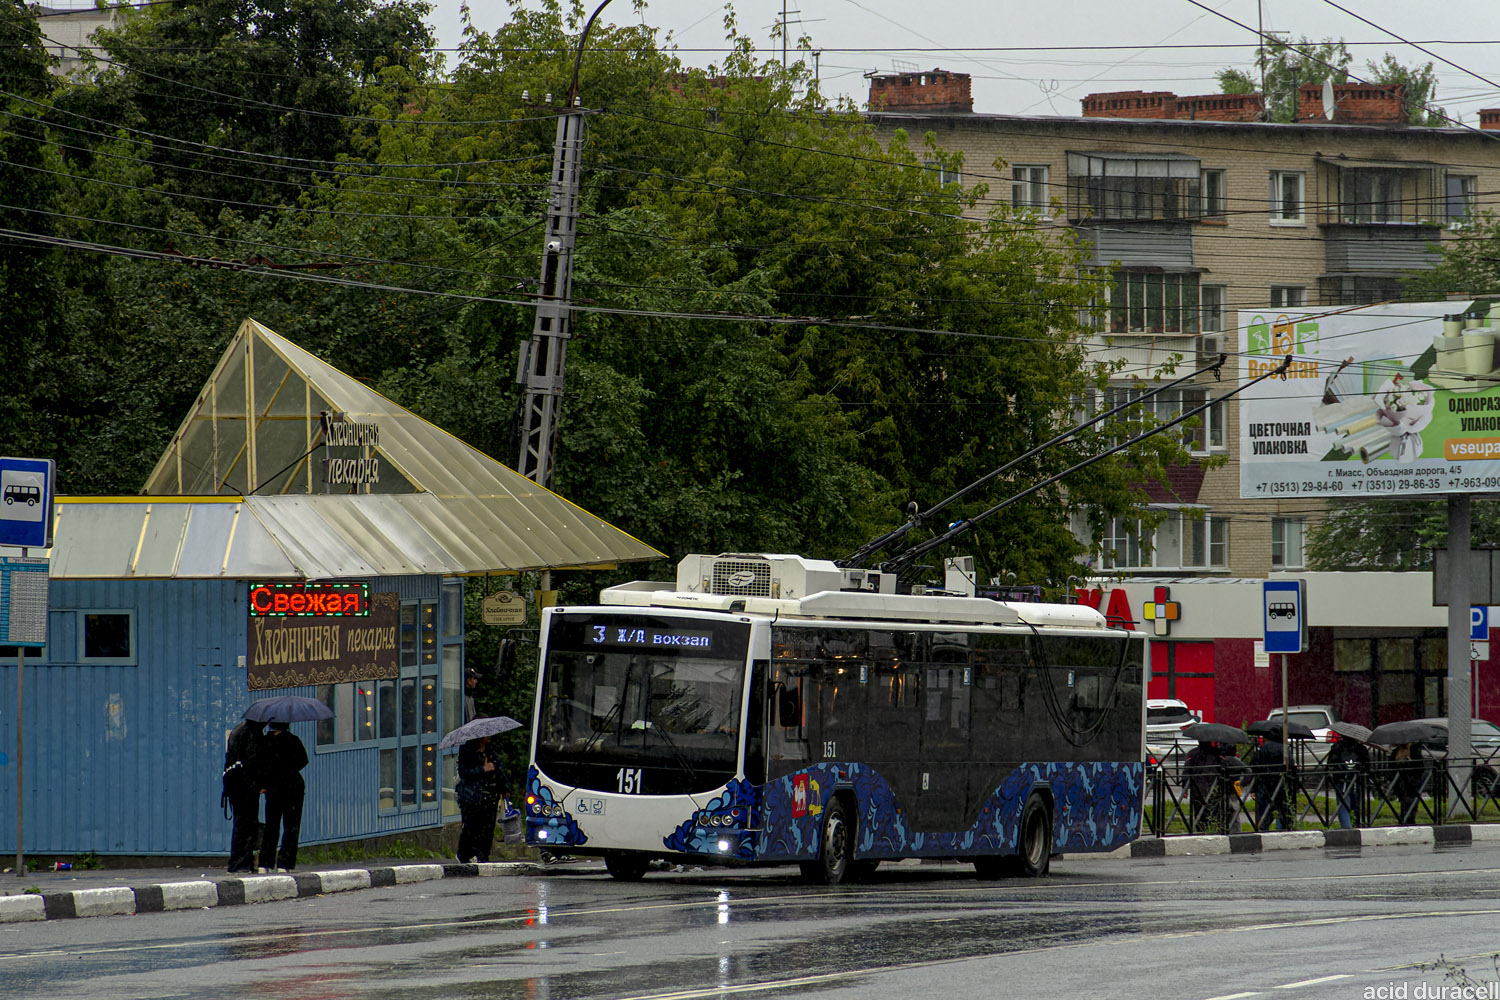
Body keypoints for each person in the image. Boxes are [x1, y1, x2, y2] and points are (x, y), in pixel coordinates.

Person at [258, 721, 309, 872]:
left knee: (271, 826)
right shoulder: (293, 740)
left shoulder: (264, 742)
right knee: (291, 827)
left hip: (273, 789)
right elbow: (303, 761)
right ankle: (284, 863)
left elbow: (259, 765)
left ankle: (265, 863)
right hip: (292, 787)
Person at [456, 734, 508, 863]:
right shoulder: (467, 751)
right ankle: (465, 854)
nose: (489, 737)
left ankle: (483, 855)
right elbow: (464, 773)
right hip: (471, 795)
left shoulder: (491, 750)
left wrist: (505, 788)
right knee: (471, 826)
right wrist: (483, 769)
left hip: (490, 794)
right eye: (486, 735)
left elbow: (499, 769)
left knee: (488, 827)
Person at [223, 718, 264, 873]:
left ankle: (238, 862)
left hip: (235, 784)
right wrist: (260, 783)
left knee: (241, 824)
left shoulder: (238, 730)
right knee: (247, 824)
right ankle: (242, 862)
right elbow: (253, 760)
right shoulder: (252, 733)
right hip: (246, 785)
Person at [1182, 741, 1246, 834]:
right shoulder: (1217, 753)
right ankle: (1216, 831)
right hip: (1215, 788)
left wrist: (1185, 787)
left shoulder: (1192, 753)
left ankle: (1202, 832)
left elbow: (1187, 771)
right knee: (1215, 813)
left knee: (1200, 813)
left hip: (1198, 789)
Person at [1247, 735, 1296, 831]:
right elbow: (1291, 767)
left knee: (1264, 811)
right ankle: (1283, 830)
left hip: (1264, 784)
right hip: (1281, 784)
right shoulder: (1284, 749)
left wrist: (1253, 788)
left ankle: (1262, 829)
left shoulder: (1262, 749)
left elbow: (1254, 766)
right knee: (1282, 810)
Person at [1329, 733, 1370, 829]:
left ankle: (1346, 827)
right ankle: (1358, 823)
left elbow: (1331, 764)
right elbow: (1367, 765)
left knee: (1343, 804)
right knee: (1357, 803)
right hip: (1357, 779)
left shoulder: (1337, 747)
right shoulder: (1361, 748)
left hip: (1341, 780)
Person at [1391, 741, 1428, 825]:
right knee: (1405, 803)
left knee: (1411, 803)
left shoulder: (1413, 751)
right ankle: (1404, 820)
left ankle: (1408, 820)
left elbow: (1420, 767)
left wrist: (1409, 761)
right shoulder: (1396, 752)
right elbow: (1391, 768)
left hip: (1412, 783)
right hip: (1402, 783)